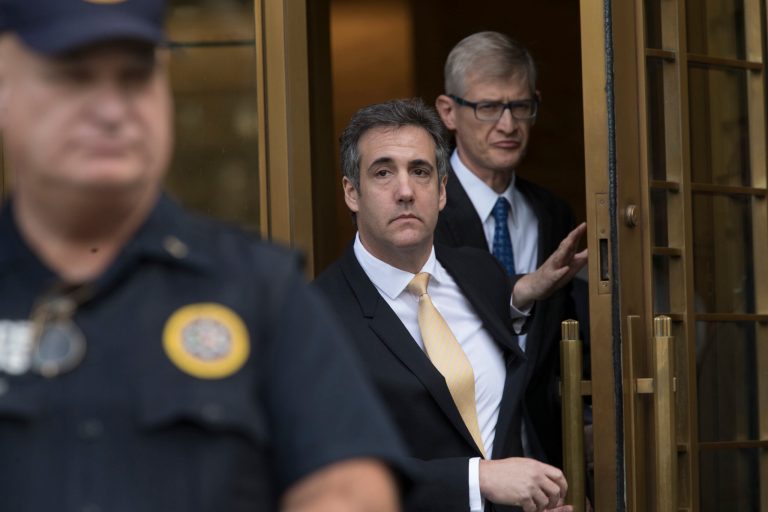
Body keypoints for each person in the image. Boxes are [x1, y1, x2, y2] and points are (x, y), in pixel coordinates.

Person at [0, 1, 407, 510]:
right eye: (74, 77)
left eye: (135, 79)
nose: (110, 110)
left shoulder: (259, 289)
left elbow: (351, 489)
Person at [314, 98, 582, 512]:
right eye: (383, 172)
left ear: (441, 192)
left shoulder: (478, 273)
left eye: (420, 172)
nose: (405, 191)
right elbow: (333, 475)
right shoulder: (317, 317)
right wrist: (478, 479)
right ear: (352, 192)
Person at [434, 31, 588, 468]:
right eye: (487, 107)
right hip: (458, 461)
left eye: (520, 106)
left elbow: (563, 344)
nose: (507, 124)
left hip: (543, 455)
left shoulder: (552, 213)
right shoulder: (423, 213)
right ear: (449, 111)